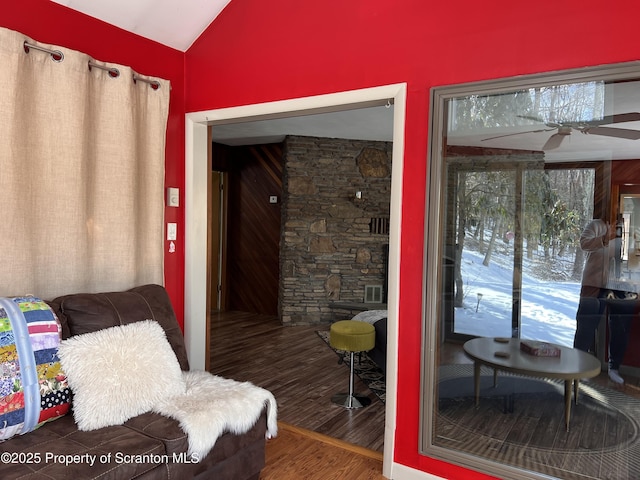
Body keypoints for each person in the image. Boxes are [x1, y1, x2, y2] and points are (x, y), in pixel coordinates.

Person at [573, 218, 637, 384]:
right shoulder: (596, 225)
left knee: (621, 328)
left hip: (622, 285)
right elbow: (584, 244)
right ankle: (577, 367)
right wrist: (604, 238)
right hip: (594, 283)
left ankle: (614, 367)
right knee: (585, 327)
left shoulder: (634, 228)